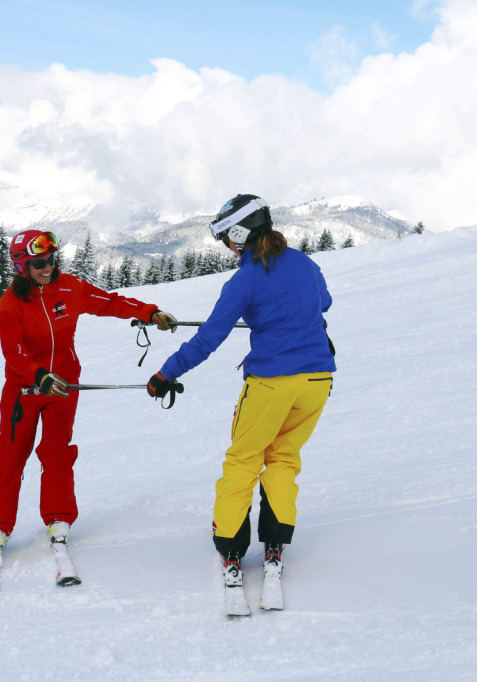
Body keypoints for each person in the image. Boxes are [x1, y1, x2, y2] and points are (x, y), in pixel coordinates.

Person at [146, 194, 336, 609]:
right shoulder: (305, 263)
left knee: (244, 460)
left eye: (226, 239)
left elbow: (209, 338)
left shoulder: (245, 280)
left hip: (272, 383)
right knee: (284, 459)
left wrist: (165, 375)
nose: (227, 248)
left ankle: (231, 548)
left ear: (240, 233)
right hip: (318, 380)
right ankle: (274, 546)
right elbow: (323, 303)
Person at [0, 229, 177, 565]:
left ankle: (59, 518)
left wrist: (148, 312)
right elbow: (13, 353)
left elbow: (110, 302)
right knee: (10, 457)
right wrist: (39, 376)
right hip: (24, 390)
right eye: (39, 262)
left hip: (65, 386)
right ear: (22, 267)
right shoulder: (11, 304)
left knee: (57, 452)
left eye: (51, 259)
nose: (48, 266)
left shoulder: (70, 287)